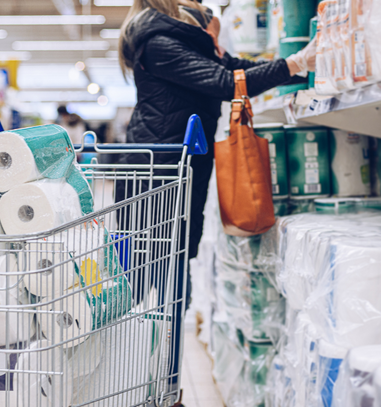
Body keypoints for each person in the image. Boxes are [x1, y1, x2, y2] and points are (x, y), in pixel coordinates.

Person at [115, 1, 316, 405]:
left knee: (171, 272)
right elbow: (226, 83)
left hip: (180, 166)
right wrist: (296, 63)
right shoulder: (158, 41)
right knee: (147, 278)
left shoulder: (183, 32)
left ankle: (160, 384)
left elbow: (231, 68)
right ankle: (128, 374)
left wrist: (289, 61)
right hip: (157, 173)